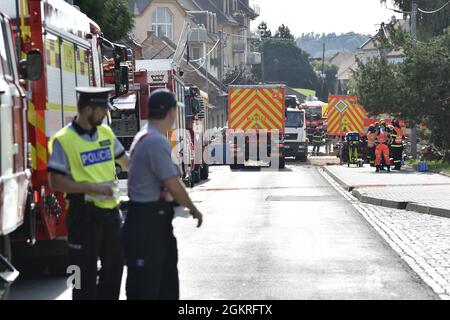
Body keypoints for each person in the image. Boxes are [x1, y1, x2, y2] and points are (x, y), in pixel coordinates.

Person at [47, 87, 129, 300]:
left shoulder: (106, 133)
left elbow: (125, 161)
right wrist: (90, 187)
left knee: (114, 269)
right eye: (103, 110)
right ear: (88, 110)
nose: (105, 114)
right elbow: (55, 181)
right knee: (82, 276)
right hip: (83, 217)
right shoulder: (63, 140)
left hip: (111, 215)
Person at [123, 89, 203, 300]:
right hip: (148, 224)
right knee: (151, 287)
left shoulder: (145, 136)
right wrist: (193, 209)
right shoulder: (156, 141)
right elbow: (173, 184)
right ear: (170, 112)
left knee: (160, 283)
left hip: (147, 222)